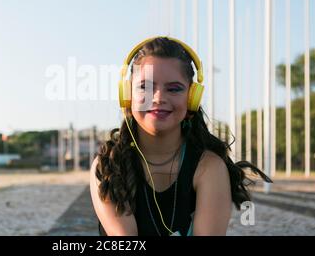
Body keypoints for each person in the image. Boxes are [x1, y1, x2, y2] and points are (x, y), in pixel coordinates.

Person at [89, 36, 271, 236]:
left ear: (192, 98)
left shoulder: (208, 166)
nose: (158, 98)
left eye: (174, 89)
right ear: (127, 96)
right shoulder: (108, 165)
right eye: (145, 87)